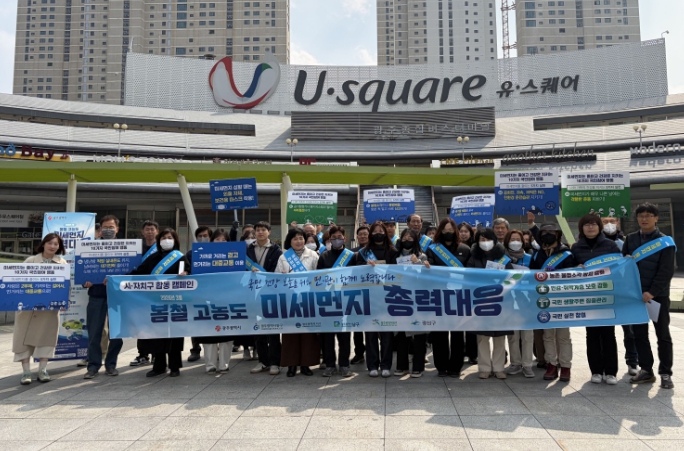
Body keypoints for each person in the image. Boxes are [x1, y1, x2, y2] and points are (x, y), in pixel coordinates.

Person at [623, 203, 675, 389]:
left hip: (657, 296)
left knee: (663, 335)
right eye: (641, 216)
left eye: (648, 215)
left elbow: (667, 270)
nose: (644, 219)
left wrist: (652, 292)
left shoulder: (665, 241)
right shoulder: (630, 239)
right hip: (636, 297)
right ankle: (646, 370)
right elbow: (624, 266)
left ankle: (666, 373)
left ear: (656, 218)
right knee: (639, 335)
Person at [131, 228, 190, 378]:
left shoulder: (180, 257)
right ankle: (159, 366)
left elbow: (190, 273)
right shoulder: (153, 258)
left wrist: (186, 274)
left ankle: (175, 366)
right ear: (159, 241)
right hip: (156, 302)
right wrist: (116, 279)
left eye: (169, 237)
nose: (166, 240)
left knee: (175, 335)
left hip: (175, 302)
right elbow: (138, 274)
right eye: (163, 238)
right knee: (156, 334)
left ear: (175, 240)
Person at [571, 214, 622, 385]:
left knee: (608, 334)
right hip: (587, 297)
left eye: (593, 224)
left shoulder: (610, 245)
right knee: (592, 335)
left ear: (599, 227)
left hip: (606, 295)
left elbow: (619, 267)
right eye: (587, 225)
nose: (590, 227)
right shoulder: (576, 247)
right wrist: (575, 268)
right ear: (582, 228)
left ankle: (611, 372)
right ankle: (596, 371)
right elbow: (569, 269)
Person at [13, 233, 68, 385]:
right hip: (28, 310)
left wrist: (64, 301)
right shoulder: (30, 261)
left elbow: (65, 285)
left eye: (56, 244)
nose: (52, 246)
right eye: (50, 243)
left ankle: (42, 370)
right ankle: (26, 372)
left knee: (46, 339)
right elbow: (18, 282)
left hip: (49, 311)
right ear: (43, 244)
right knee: (23, 341)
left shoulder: (62, 263)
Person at [351, 221, 399, 378]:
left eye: (381, 231)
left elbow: (398, 272)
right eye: (375, 231)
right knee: (370, 332)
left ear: (385, 233)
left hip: (387, 296)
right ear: (371, 234)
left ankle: (386, 365)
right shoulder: (363, 252)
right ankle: (372, 365)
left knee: (386, 333)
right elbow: (356, 272)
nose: (378, 233)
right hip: (369, 296)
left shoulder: (393, 251)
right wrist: (366, 266)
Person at [530, 223, 576, 382]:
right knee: (548, 336)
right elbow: (530, 276)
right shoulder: (537, 255)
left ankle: (566, 366)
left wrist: (558, 275)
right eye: (545, 232)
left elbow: (572, 275)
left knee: (563, 336)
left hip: (562, 299)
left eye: (551, 231)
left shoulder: (566, 254)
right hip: (543, 299)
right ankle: (551, 364)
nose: (548, 234)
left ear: (558, 235)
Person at [426, 218, 472, 377]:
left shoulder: (465, 249)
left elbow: (470, 272)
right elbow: (429, 269)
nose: (448, 233)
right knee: (439, 333)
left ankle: (456, 366)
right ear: (440, 231)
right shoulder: (433, 249)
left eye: (451, 230)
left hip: (459, 296)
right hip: (439, 295)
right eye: (445, 230)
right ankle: (441, 366)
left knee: (458, 334)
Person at [467, 228, 513, 380]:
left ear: (494, 240)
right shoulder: (473, 258)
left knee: (499, 337)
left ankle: (499, 368)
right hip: (481, 302)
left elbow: (511, 278)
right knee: (482, 337)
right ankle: (485, 367)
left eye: (488, 239)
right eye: (482, 239)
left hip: (500, 301)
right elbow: (468, 278)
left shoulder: (503, 258)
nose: (485, 242)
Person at [83, 215, 125, 379]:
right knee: (94, 333)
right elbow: (83, 269)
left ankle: (111, 364)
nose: (108, 230)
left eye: (111, 227)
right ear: (100, 229)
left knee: (117, 334)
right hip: (96, 296)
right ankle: (93, 366)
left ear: (117, 229)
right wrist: (85, 281)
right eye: (105, 227)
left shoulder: (125, 248)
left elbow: (131, 271)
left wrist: (115, 279)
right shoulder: (90, 248)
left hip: (117, 297)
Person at [277, 228, 321, 377]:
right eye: (295, 238)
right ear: (289, 241)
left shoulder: (313, 255)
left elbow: (318, 276)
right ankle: (291, 365)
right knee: (290, 333)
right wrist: (282, 277)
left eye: (301, 238)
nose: (298, 241)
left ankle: (306, 364)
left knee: (308, 334)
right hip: (290, 300)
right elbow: (276, 278)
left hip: (308, 299)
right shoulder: (283, 257)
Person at [195, 229, 236, 374]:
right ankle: (210, 365)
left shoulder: (235, 257)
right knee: (209, 334)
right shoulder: (200, 255)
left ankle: (224, 364)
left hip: (227, 300)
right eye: (217, 239)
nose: (220, 242)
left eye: (223, 240)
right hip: (207, 299)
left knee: (226, 333)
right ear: (212, 241)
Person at [247, 221, 284, 376]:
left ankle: (275, 362)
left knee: (273, 330)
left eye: (263, 230)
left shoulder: (276, 250)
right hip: (253, 293)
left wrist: (262, 274)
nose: (260, 232)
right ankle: (263, 361)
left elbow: (277, 270)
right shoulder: (248, 249)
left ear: (269, 232)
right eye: (258, 230)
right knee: (258, 329)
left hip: (271, 293)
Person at [317, 225, 354, 376]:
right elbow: (318, 278)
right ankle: (330, 365)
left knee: (344, 335)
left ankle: (344, 364)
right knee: (327, 336)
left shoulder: (351, 256)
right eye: (334, 238)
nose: (337, 240)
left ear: (344, 238)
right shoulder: (324, 256)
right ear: (329, 239)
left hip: (346, 300)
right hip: (327, 300)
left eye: (339, 237)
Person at [602, 217, 637, 375]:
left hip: (624, 292)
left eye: (613, 220)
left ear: (618, 223)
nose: (609, 224)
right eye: (605, 221)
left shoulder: (626, 243)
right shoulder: (596, 245)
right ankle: (605, 366)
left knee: (630, 331)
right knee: (605, 333)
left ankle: (632, 362)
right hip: (605, 291)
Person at [394, 228, 431, 378]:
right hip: (400, 298)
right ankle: (402, 366)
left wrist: (420, 264)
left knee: (419, 335)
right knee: (401, 335)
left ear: (415, 240)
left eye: (410, 237)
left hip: (417, 300)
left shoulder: (422, 256)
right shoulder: (395, 255)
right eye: (404, 237)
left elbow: (426, 277)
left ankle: (418, 366)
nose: (407, 240)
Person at [502, 229, 535, 378]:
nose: (515, 242)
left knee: (527, 335)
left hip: (526, 301)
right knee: (513, 335)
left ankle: (527, 364)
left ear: (523, 242)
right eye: (512, 239)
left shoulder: (530, 258)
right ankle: (515, 362)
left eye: (518, 239)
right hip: (509, 301)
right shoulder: (502, 259)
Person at [130, 220, 159, 367]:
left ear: (157, 231)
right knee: (141, 322)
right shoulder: (136, 248)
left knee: (156, 321)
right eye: (147, 229)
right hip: (139, 290)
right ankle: (142, 354)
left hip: (156, 290)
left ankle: (156, 354)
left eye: (152, 229)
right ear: (142, 232)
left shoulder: (161, 248)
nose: (150, 232)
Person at [185, 226, 213, 363]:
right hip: (196, 293)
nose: (203, 238)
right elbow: (186, 269)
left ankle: (214, 349)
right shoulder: (190, 254)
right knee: (195, 321)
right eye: (200, 236)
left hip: (214, 293)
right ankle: (195, 349)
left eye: (205, 236)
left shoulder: (218, 252)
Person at [235, 226, 257, 360]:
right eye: (247, 238)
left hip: (256, 289)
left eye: (252, 237)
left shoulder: (256, 250)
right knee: (244, 320)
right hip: (242, 290)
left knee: (256, 320)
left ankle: (256, 348)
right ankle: (245, 349)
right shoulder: (239, 252)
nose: (250, 240)